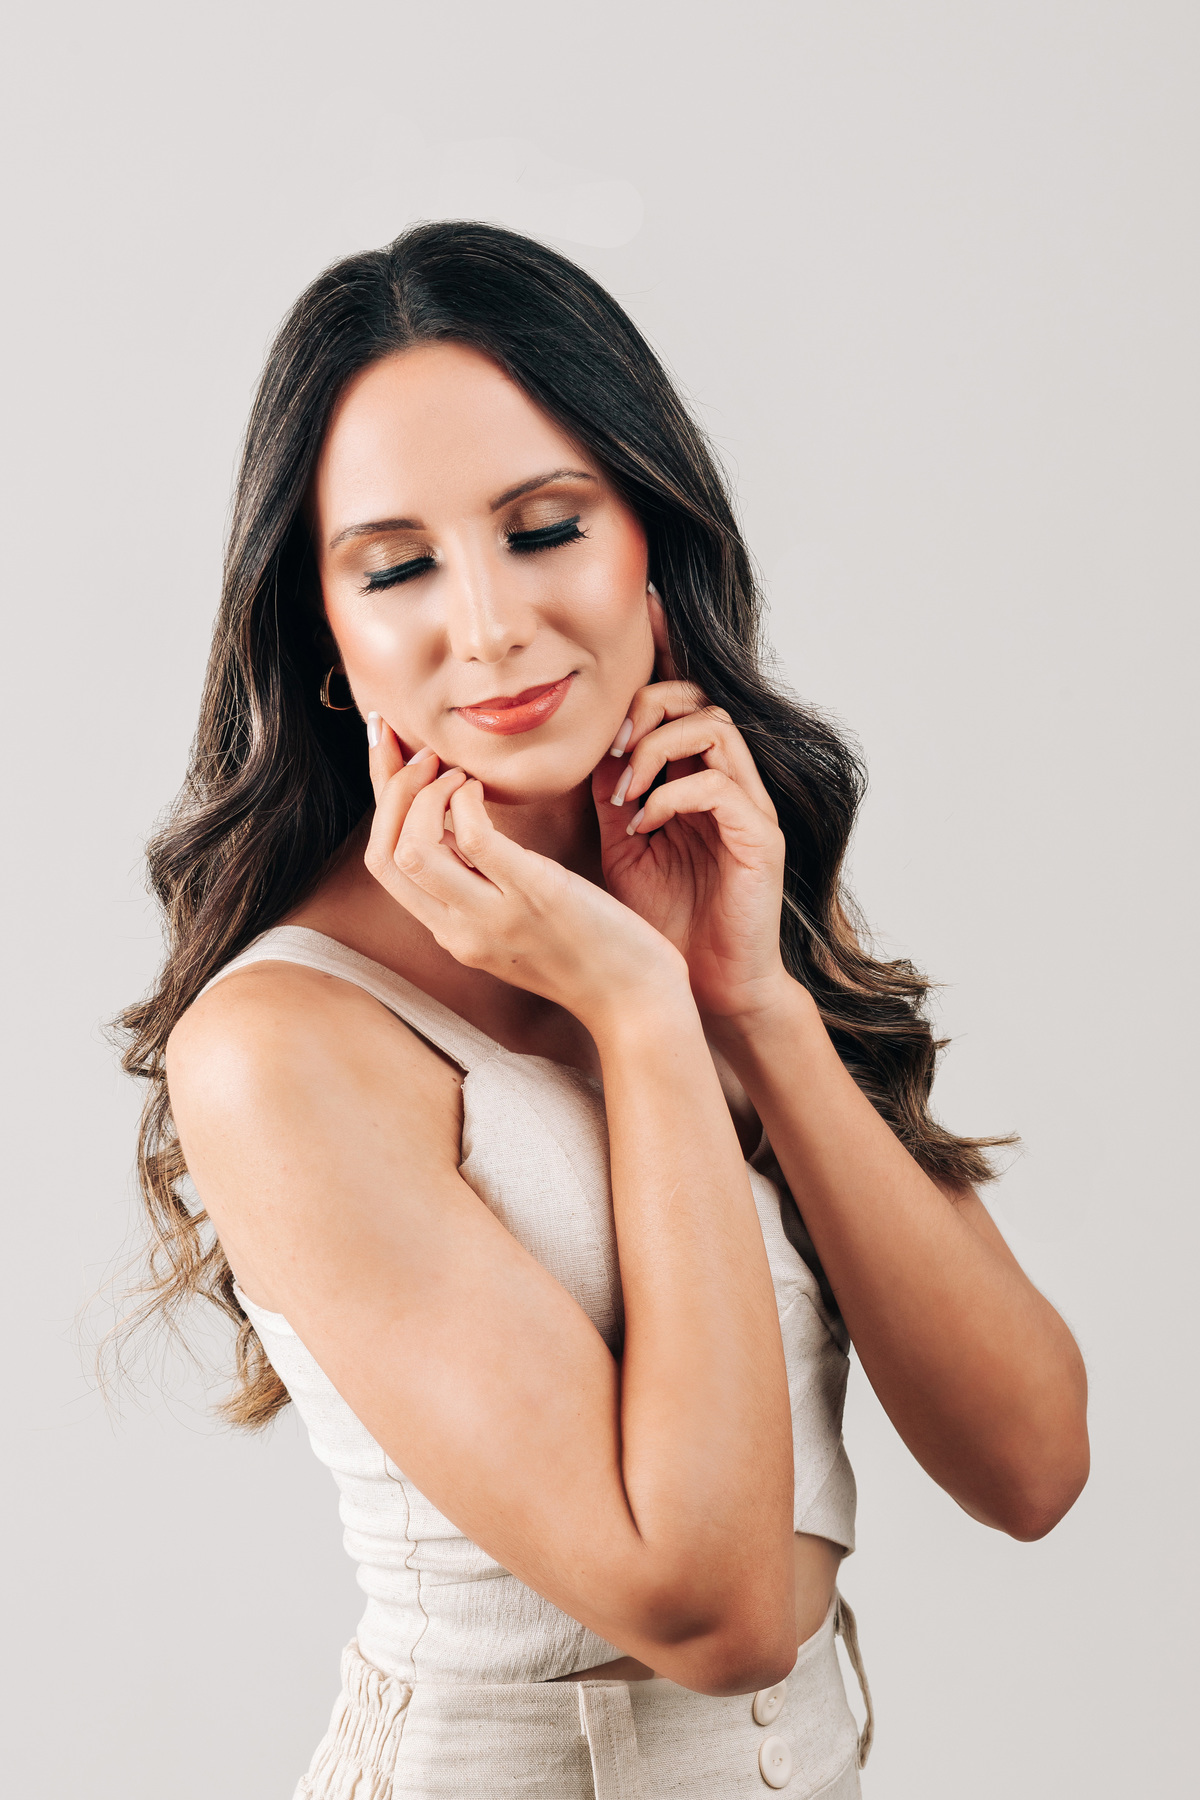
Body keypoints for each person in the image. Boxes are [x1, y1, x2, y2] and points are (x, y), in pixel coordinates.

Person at [120, 221, 1089, 1798]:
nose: (490, 624)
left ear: (652, 538)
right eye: (397, 566)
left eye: (545, 527)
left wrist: (750, 1004)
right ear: (326, 639)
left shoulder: (708, 882)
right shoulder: (285, 1045)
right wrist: (641, 1013)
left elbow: (1032, 1461)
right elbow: (713, 1610)